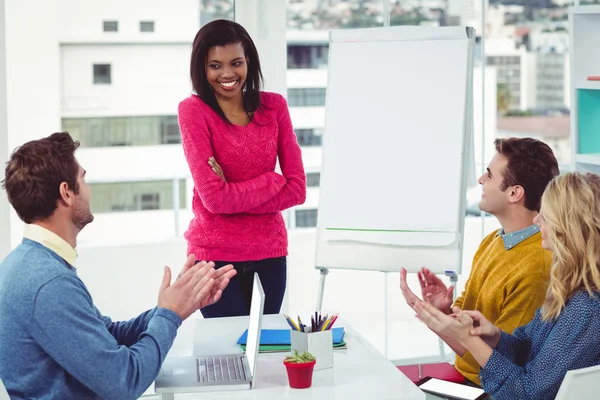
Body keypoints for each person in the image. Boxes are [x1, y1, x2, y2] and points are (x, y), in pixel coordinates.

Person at [0, 132, 237, 400]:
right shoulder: (48, 283)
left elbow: (107, 335)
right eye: (83, 179)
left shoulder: (28, 264)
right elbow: (124, 381)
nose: (88, 191)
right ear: (66, 193)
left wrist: (178, 303)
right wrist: (170, 315)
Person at [414, 172, 600, 400]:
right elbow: (529, 348)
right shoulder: (569, 288)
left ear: (568, 226)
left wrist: (469, 339)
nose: (537, 220)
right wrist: (494, 336)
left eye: (547, 215)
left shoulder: (586, 307)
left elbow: (525, 393)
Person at [400, 137, 559, 385]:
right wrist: (442, 310)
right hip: (465, 376)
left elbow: (500, 361)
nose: (481, 180)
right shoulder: (493, 240)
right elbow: (466, 320)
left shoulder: (537, 266)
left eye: (489, 175)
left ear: (515, 193)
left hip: (487, 386)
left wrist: (435, 321)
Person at [178, 19, 306, 318]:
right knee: (227, 355)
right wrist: (272, 181)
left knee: (261, 355)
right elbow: (215, 199)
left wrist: (232, 191)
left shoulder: (274, 107)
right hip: (213, 260)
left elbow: (298, 190)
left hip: (270, 255)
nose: (227, 74)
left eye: (236, 62)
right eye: (215, 65)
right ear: (202, 68)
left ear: (249, 61)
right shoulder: (194, 111)